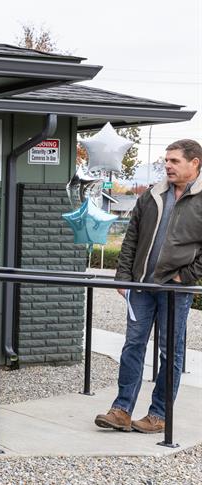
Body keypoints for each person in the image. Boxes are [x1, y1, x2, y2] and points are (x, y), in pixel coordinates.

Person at [95, 139, 202, 434]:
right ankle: (121, 411)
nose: (167, 165)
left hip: (175, 290)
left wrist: (184, 277)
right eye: (166, 160)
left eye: (174, 161)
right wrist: (123, 277)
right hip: (141, 287)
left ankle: (159, 416)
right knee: (133, 345)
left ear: (194, 163)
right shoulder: (152, 195)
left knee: (171, 353)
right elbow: (132, 236)